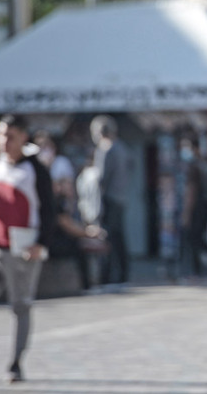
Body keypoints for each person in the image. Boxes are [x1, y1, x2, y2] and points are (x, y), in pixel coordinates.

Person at [0, 115, 57, 383]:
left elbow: (49, 211)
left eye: (10, 136)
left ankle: (16, 363)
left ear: (24, 137)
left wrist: (42, 243)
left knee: (20, 306)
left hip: (21, 249)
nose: (4, 141)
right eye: (1, 135)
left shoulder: (35, 170)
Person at [33, 132, 105, 292]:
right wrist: (88, 233)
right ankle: (87, 286)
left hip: (46, 238)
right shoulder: (50, 198)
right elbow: (66, 224)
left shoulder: (60, 199)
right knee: (77, 246)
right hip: (45, 241)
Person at [90, 115, 132, 288]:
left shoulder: (105, 149)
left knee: (107, 238)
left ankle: (108, 277)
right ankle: (122, 275)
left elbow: (101, 178)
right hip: (121, 197)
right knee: (119, 238)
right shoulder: (123, 147)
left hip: (109, 199)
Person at [182, 139, 207, 279]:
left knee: (193, 238)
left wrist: (186, 213)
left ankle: (197, 270)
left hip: (197, 207)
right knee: (199, 237)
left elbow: (191, 192)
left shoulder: (194, 167)